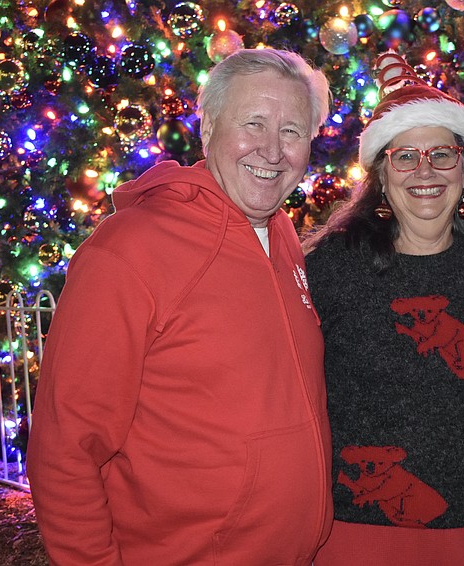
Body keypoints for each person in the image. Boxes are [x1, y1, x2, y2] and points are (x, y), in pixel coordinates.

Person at [27, 49, 333, 565]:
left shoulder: (281, 233)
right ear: (209, 127)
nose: (272, 150)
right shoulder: (130, 249)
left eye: (292, 131)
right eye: (253, 123)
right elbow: (66, 447)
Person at [303, 52, 464, 565]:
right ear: (380, 172)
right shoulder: (330, 266)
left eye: (442, 154)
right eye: (405, 156)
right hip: (355, 531)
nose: (425, 171)